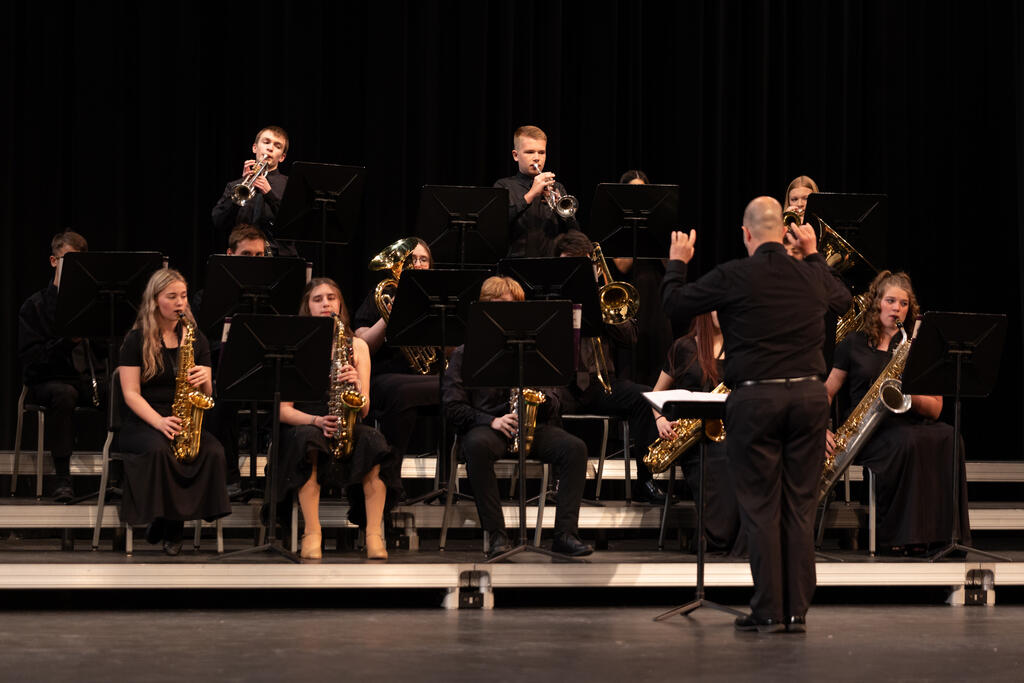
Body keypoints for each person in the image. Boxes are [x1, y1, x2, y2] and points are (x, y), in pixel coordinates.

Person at [661, 196, 851, 633]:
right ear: (784, 233)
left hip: (756, 400)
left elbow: (674, 304)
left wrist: (677, 262)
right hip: (808, 400)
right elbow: (844, 300)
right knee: (799, 506)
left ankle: (768, 609)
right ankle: (796, 612)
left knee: (762, 507)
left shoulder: (733, 275)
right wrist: (814, 255)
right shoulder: (811, 273)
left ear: (746, 234)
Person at [443, 276, 593, 558]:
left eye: (513, 308)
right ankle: (497, 536)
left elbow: (557, 400)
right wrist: (491, 421)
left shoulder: (536, 352)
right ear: (485, 309)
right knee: (476, 446)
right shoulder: (465, 353)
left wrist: (540, 401)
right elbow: (453, 407)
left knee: (575, 448)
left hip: (531, 425)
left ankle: (565, 534)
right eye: (501, 307)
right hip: (489, 426)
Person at [824, 270, 970, 553]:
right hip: (869, 430)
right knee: (906, 442)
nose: (896, 308)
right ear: (876, 302)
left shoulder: (916, 347)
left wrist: (907, 395)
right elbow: (827, 391)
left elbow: (936, 408)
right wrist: (821, 428)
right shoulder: (853, 343)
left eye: (903, 303)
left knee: (950, 437)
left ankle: (941, 538)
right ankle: (900, 538)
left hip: (909, 421)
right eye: (890, 301)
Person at [276, 278, 402, 560]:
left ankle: (374, 534)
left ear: (340, 305)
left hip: (346, 420)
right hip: (307, 422)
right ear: (307, 307)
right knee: (308, 442)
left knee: (373, 440)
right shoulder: (294, 346)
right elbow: (282, 410)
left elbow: (365, 410)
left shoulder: (357, 346)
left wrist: (356, 384)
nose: (325, 304)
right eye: (318, 299)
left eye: (331, 298)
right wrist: (316, 421)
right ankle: (312, 532)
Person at [118, 269, 231, 555]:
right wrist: (158, 422)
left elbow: (208, 394)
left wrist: (205, 378)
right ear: (155, 300)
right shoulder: (136, 340)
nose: (180, 302)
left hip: (183, 417)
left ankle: (168, 521)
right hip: (145, 419)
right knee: (160, 450)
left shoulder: (195, 337)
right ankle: (170, 525)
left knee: (213, 451)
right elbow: (130, 393)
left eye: (183, 296)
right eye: (172, 296)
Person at [553, 231, 662, 502]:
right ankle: (558, 484)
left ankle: (645, 481)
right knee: (545, 401)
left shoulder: (604, 296)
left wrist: (599, 303)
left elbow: (630, 339)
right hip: (561, 385)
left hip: (600, 385)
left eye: (582, 266)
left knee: (643, 396)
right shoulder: (548, 298)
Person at [17, 230, 105, 502]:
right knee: (63, 394)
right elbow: (32, 361)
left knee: (122, 389)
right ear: (54, 261)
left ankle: (121, 475)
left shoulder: (91, 304)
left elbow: (103, 352)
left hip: (85, 379)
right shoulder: (35, 306)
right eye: (69, 261)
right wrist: (67, 342)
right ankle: (63, 478)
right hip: (49, 380)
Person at [650, 312, 745, 556]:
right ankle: (715, 538)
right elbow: (657, 393)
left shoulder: (739, 350)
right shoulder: (683, 347)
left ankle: (732, 540)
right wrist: (661, 419)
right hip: (693, 440)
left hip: (730, 433)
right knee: (721, 458)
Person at [353, 238, 439, 469]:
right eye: (412, 259)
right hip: (384, 376)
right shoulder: (383, 294)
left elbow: (452, 346)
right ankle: (388, 473)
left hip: (427, 378)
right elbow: (361, 343)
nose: (418, 264)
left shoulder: (439, 300)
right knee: (403, 393)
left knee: (451, 389)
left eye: (423, 259)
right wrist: (388, 317)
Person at [199, 224, 270, 499]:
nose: (253, 261)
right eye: (246, 255)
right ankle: (228, 475)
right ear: (229, 254)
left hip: (266, 369)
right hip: (225, 373)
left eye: (259, 256)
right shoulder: (207, 297)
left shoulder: (274, 294)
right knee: (221, 397)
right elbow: (201, 343)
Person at [606, 169, 674, 385]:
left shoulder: (658, 220)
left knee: (659, 349)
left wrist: (655, 227)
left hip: (657, 293)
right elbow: (622, 265)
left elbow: (670, 263)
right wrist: (636, 229)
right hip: (631, 295)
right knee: (633, 357)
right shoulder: (618, 223)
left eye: (643, 191)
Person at [494, 125, 581, 257]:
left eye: (541, 152)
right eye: (530, 152)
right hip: (515, 263)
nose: (537, 158)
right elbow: (496, 224)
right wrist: (531, 194)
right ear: (516, 155)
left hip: (551, 262)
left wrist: (561, 211)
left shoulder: (556, 187)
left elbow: (575, 234)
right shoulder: (504, 186)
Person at [211, 126, 292, 255]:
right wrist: (240, 189)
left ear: (282, 157)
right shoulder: (235, 186)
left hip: (279, 255)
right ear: (255, 148)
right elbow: (219, 221)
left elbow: (294, 225)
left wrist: (270, 195)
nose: (270, 148)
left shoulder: (289, 184)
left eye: (277, 146)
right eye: (266, 142)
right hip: (244, 254)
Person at [781, 175, 819, 260]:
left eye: (806, 198)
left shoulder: (820, 227)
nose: (799, 204)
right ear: (788, 202)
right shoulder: (781, 228)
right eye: (794, 199)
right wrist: (785, 227)